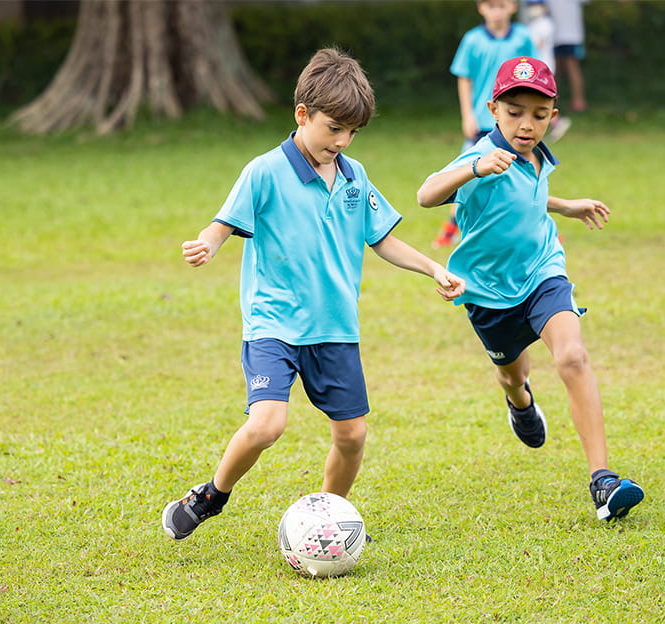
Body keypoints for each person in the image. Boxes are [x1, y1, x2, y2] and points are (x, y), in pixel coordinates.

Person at [162, 48, 466, 541]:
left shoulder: (353, 175)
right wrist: (208, 243)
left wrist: (432, 266)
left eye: (352, 133)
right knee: (267, 426)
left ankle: (332, 518)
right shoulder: (264, 171)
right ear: (302, 115)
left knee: (352, 436)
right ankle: (212, 495)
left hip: (335, 327)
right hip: (275, 324)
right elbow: (225, 222)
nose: (342, 141)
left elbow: (382, 237)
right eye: (333, 129)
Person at [416, 56, 644, 521]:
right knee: (511, 375)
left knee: (572, 356)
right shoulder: (481, 156)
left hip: (543, 272)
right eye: (515, 111)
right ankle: (520, 404)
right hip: (488, 294)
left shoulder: (539, 155)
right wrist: (474, 168)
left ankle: (602, 480)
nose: (527, 124)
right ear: (493, 110)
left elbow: (530, 196)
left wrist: (565, 206)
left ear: (553, 117)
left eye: (539, 115)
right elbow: (426, 194)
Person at [433, 0, 536, 249]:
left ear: (512, 7)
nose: (497, 12)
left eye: (502, 6)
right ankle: (451, 228)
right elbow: (464, 78)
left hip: (514, 122)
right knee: (467, 176)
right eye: (492, 6)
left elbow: (536, 77)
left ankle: (540, 224)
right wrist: (467, 114)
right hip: (482, 121)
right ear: (481, 8)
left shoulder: (522, 37)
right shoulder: (472, 40)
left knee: (527, 176)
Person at [525, 0, 572, 142]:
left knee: (539, 99)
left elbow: (537, 45)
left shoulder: (545, 24)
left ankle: (556, 122)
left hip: (542, 67)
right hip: (535, 67)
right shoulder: (534, 24)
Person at [547, 0, 588, 112]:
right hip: (552, 35)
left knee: (571, 67)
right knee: (553, 69)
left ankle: (578, 102)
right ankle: (550, 100)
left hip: (571, 35)